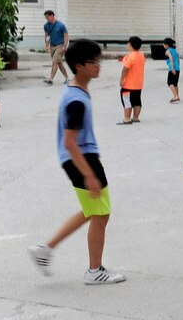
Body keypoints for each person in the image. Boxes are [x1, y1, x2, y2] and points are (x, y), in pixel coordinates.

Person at [27, 39, 126, 284]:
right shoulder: (76, 101)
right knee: (100, 214)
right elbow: (70, 142)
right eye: (93, 62)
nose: (98, 66)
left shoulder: (75, 90)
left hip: (82, 157)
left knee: (94, 211)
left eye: (98, 61)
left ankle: (46, 249)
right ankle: (94, 271)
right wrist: (89, 174)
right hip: (82, 159)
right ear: (79, 66)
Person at [118, 36, 145, 125]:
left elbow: (125, 69)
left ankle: (127, 118)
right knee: (137, 100)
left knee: (127, 101)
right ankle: (136, 117)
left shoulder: (131, 56)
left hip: (128, 84)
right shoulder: (141, 56)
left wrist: (122, 79)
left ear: (130, 44)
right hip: (138, 84)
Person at [42, 10, 69, 85]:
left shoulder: (61, 25)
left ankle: (51, 79)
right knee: (59, 63)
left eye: (47, 17)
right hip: (52, 46)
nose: (46, 19)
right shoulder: (46, 26)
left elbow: (66, 36)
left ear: (52, 16)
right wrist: (46, 45)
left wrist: (64, 46)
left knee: (55, 62)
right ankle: (67, 78)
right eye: (46, 17)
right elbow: (47, 36)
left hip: (60, 46)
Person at [164, 38, 181, 103]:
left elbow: (171, 59)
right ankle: (177, 96)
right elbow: (178, 59)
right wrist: (177, 67)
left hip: (172, 69)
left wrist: (172, 68)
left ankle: (175, 96)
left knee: (170, 82)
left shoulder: (168, 51)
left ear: (166, 45)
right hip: (178, 68)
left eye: (164, 44)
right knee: (175, 84)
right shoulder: (174, 50)